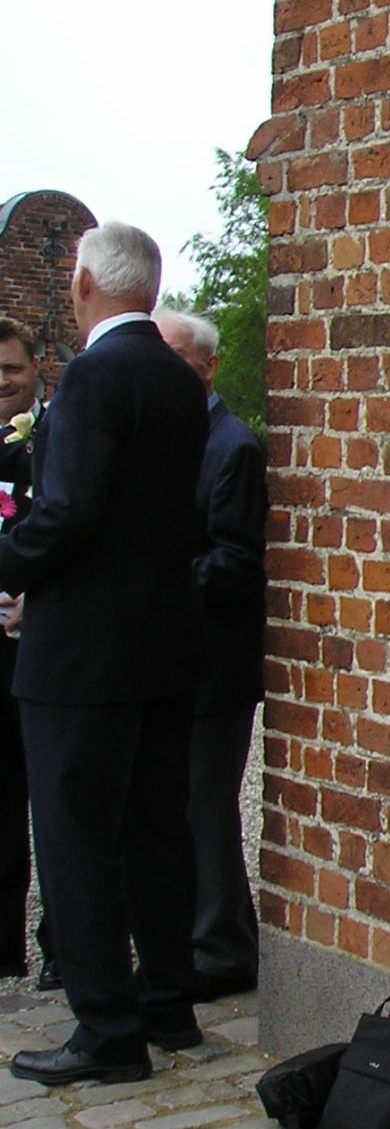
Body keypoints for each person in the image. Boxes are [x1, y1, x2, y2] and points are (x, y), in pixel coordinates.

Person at [0, 222, 209, 1085]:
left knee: (77, 839)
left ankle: (107, 1030)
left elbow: (69, 510)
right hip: (162, 642)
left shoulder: (93, 374)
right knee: (156, 829)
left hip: (83, 652)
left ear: (83, 283)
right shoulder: (177, 378)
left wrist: (8, 562)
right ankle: (168, 1004)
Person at [156, 308, 266, 999]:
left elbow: (237, 562)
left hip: (215, 665)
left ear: (208, 365)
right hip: (171, 660)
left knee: (206, 807)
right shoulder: (169, 437)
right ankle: (207, 938)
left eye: (175, 354)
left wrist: (151, 578)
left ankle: (222, 952)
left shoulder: (233, 446)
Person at [0, 315, 42, 981]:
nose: (2, 382)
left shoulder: (49, 442)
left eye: (10, 368)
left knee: (51, 804)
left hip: (34, 644)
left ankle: (61, 946)